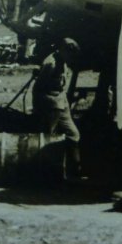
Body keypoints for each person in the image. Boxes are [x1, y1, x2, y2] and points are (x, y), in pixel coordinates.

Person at [32, 38, 83, 180]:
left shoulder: (62, 61)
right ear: (63, 50)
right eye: (70, 53)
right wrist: (43, 107)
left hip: (61, 101)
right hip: (51, 103)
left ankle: (76, 170)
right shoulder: (51, 64)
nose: (71, 57)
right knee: (49, 137)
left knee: (74, 134)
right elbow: (39, 88)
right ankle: (46, 173)